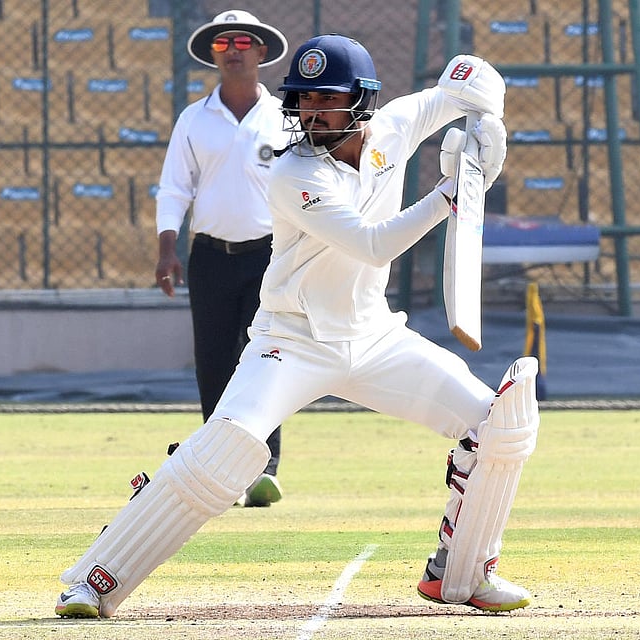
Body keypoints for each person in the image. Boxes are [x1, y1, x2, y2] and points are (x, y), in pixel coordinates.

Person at [55, 34, 540, 620]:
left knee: (500, 424)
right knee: (227, 451)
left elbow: (465, 82)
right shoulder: (292, 172)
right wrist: (455, 189)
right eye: (302, 100)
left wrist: (489, 123)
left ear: (361, 100)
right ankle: (92, 579)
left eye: (325, 99)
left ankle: (461, 574)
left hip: (375, 337)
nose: (310, 112)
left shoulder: (395, 125)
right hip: (291, 341)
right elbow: (371, 244)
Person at [154, 9, 288, 507]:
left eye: (243, 41)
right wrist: (167, 248)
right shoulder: (194, 119)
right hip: (210, 256)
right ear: (213, 54)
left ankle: (264, 468)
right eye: (223, 43)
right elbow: (173, 189)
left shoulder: (283, 119)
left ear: (260, 53)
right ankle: (220, 472)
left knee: (267, 359)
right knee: (214, 362)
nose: (233, 50)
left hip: (270, 257)